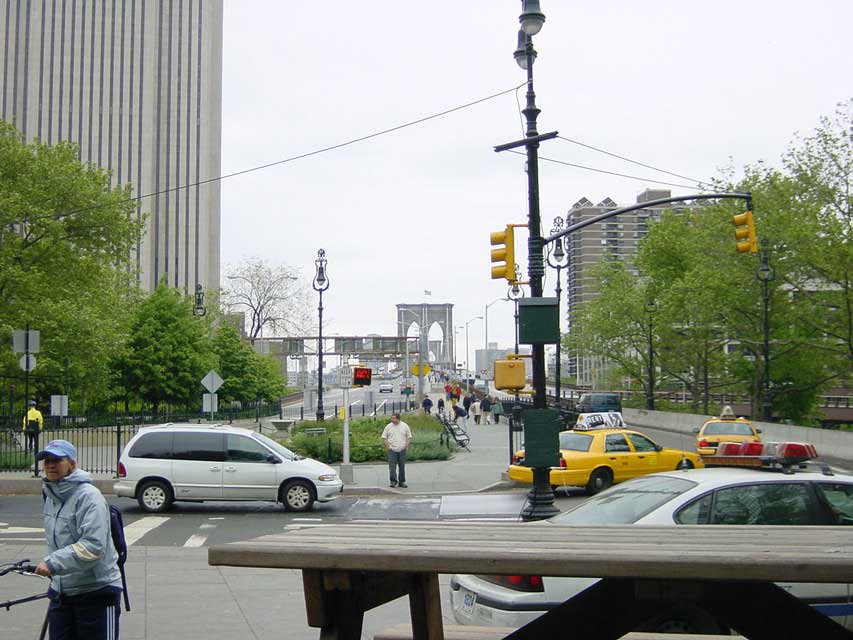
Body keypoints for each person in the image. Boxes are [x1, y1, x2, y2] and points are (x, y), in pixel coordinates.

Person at [35, 439, 123, 640]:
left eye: (57, 460)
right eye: (46, 460)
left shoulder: (89, 497)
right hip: (62, 594)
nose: (50, 465)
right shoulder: (51, 495)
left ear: (72, 464)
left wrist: (53, 563)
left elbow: (93, 547)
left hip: (97, 593)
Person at [381, 413, 412, 488]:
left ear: (398, 419)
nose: (392, 420)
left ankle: (402, 482)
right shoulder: (388, 426)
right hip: (392, 450)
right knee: (392, 466)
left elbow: (409, 436)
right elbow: (384, 437)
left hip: (402, 449)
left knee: (402, 466)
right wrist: (388, 446)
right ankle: (393, 481)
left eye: (394, 418)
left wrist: (406, 445)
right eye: (391, 418)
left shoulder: (404, 426)